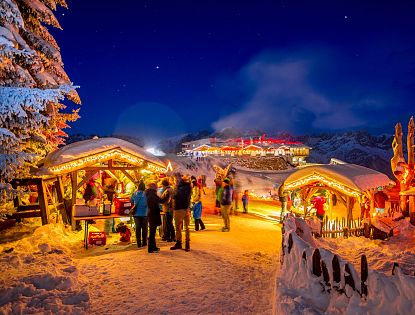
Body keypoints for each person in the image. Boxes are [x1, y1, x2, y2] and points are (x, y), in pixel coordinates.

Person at [171, 175, 192, 252]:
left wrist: (174, 192)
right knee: (187, 227)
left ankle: (179, 242)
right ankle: (187, 243)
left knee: (178, 227)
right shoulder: (189, 187)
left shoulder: (179, 188)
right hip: (186, 208)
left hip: (179, 208)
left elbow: (175, 196)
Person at [130, 181, 148, 248]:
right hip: (145, 213)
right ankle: (144, 242)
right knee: (144, 228)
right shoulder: (146, 194)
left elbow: (131, 201)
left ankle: (138, 243)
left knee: (138, 228)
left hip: (136, 214)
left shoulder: (134, 193)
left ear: (138, 187)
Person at [145, 182, 162, 253]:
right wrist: (167, 196)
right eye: (156, 187)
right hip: (153, 214)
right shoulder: (152, 195)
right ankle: (151, 248)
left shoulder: (147, 194)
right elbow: (161, 200)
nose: (157, 188)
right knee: (152, 232)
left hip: (149, 214)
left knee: (152, 231)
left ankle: (153, 247)